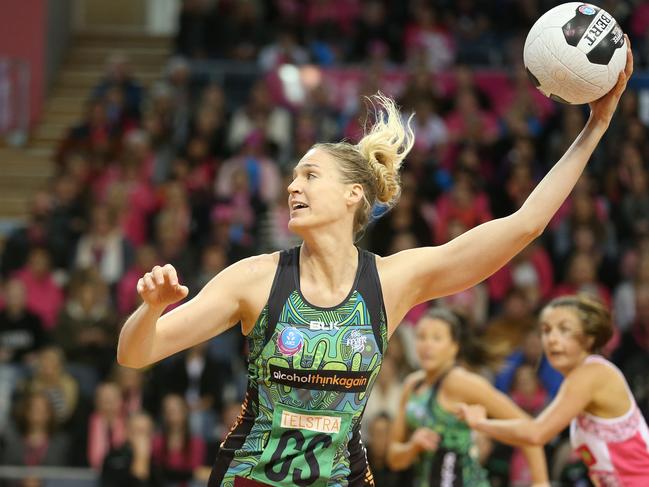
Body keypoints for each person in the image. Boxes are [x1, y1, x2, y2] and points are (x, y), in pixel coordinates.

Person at [117, 42, 633, 487]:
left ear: (352, 195)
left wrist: (597, 124)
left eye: (310, 175)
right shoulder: (254, 278)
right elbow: (135, 356)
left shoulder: (392, 280)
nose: (293, 186)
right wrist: (149, 310)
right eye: (293, 177)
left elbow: (526, 224)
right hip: (252, 475)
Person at [458, 294, 649, 486]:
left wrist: (481, 424)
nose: (552, 339)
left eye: (564, 330)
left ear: (589, 339)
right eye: (546, 330)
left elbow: (536, 433)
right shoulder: (580, 378)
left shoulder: (593, 373)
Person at [387, 308, 548, 486]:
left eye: (437, 338)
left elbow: (527, 428)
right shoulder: (412, 385)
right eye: (421, 337)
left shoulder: (462, 382)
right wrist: (413, 446)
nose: (427, 345)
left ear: (454, 346)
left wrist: (541, 482)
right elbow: (394, 459)